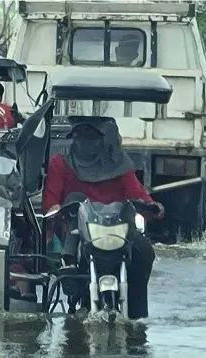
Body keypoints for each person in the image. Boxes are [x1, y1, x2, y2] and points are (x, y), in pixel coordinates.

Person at [41, 116, 164, 319]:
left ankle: (137, 314)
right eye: (78, 135)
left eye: (90, 135)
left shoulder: (119, 164)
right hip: (79, 232)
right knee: (70, 255)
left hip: (118, 230)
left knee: (144, 251)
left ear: (103, 139)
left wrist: (151, 206)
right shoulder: (60, 163)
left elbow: (136, 193)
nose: (83, 140)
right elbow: (50, 202)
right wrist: (57, 211)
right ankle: (74, 284)